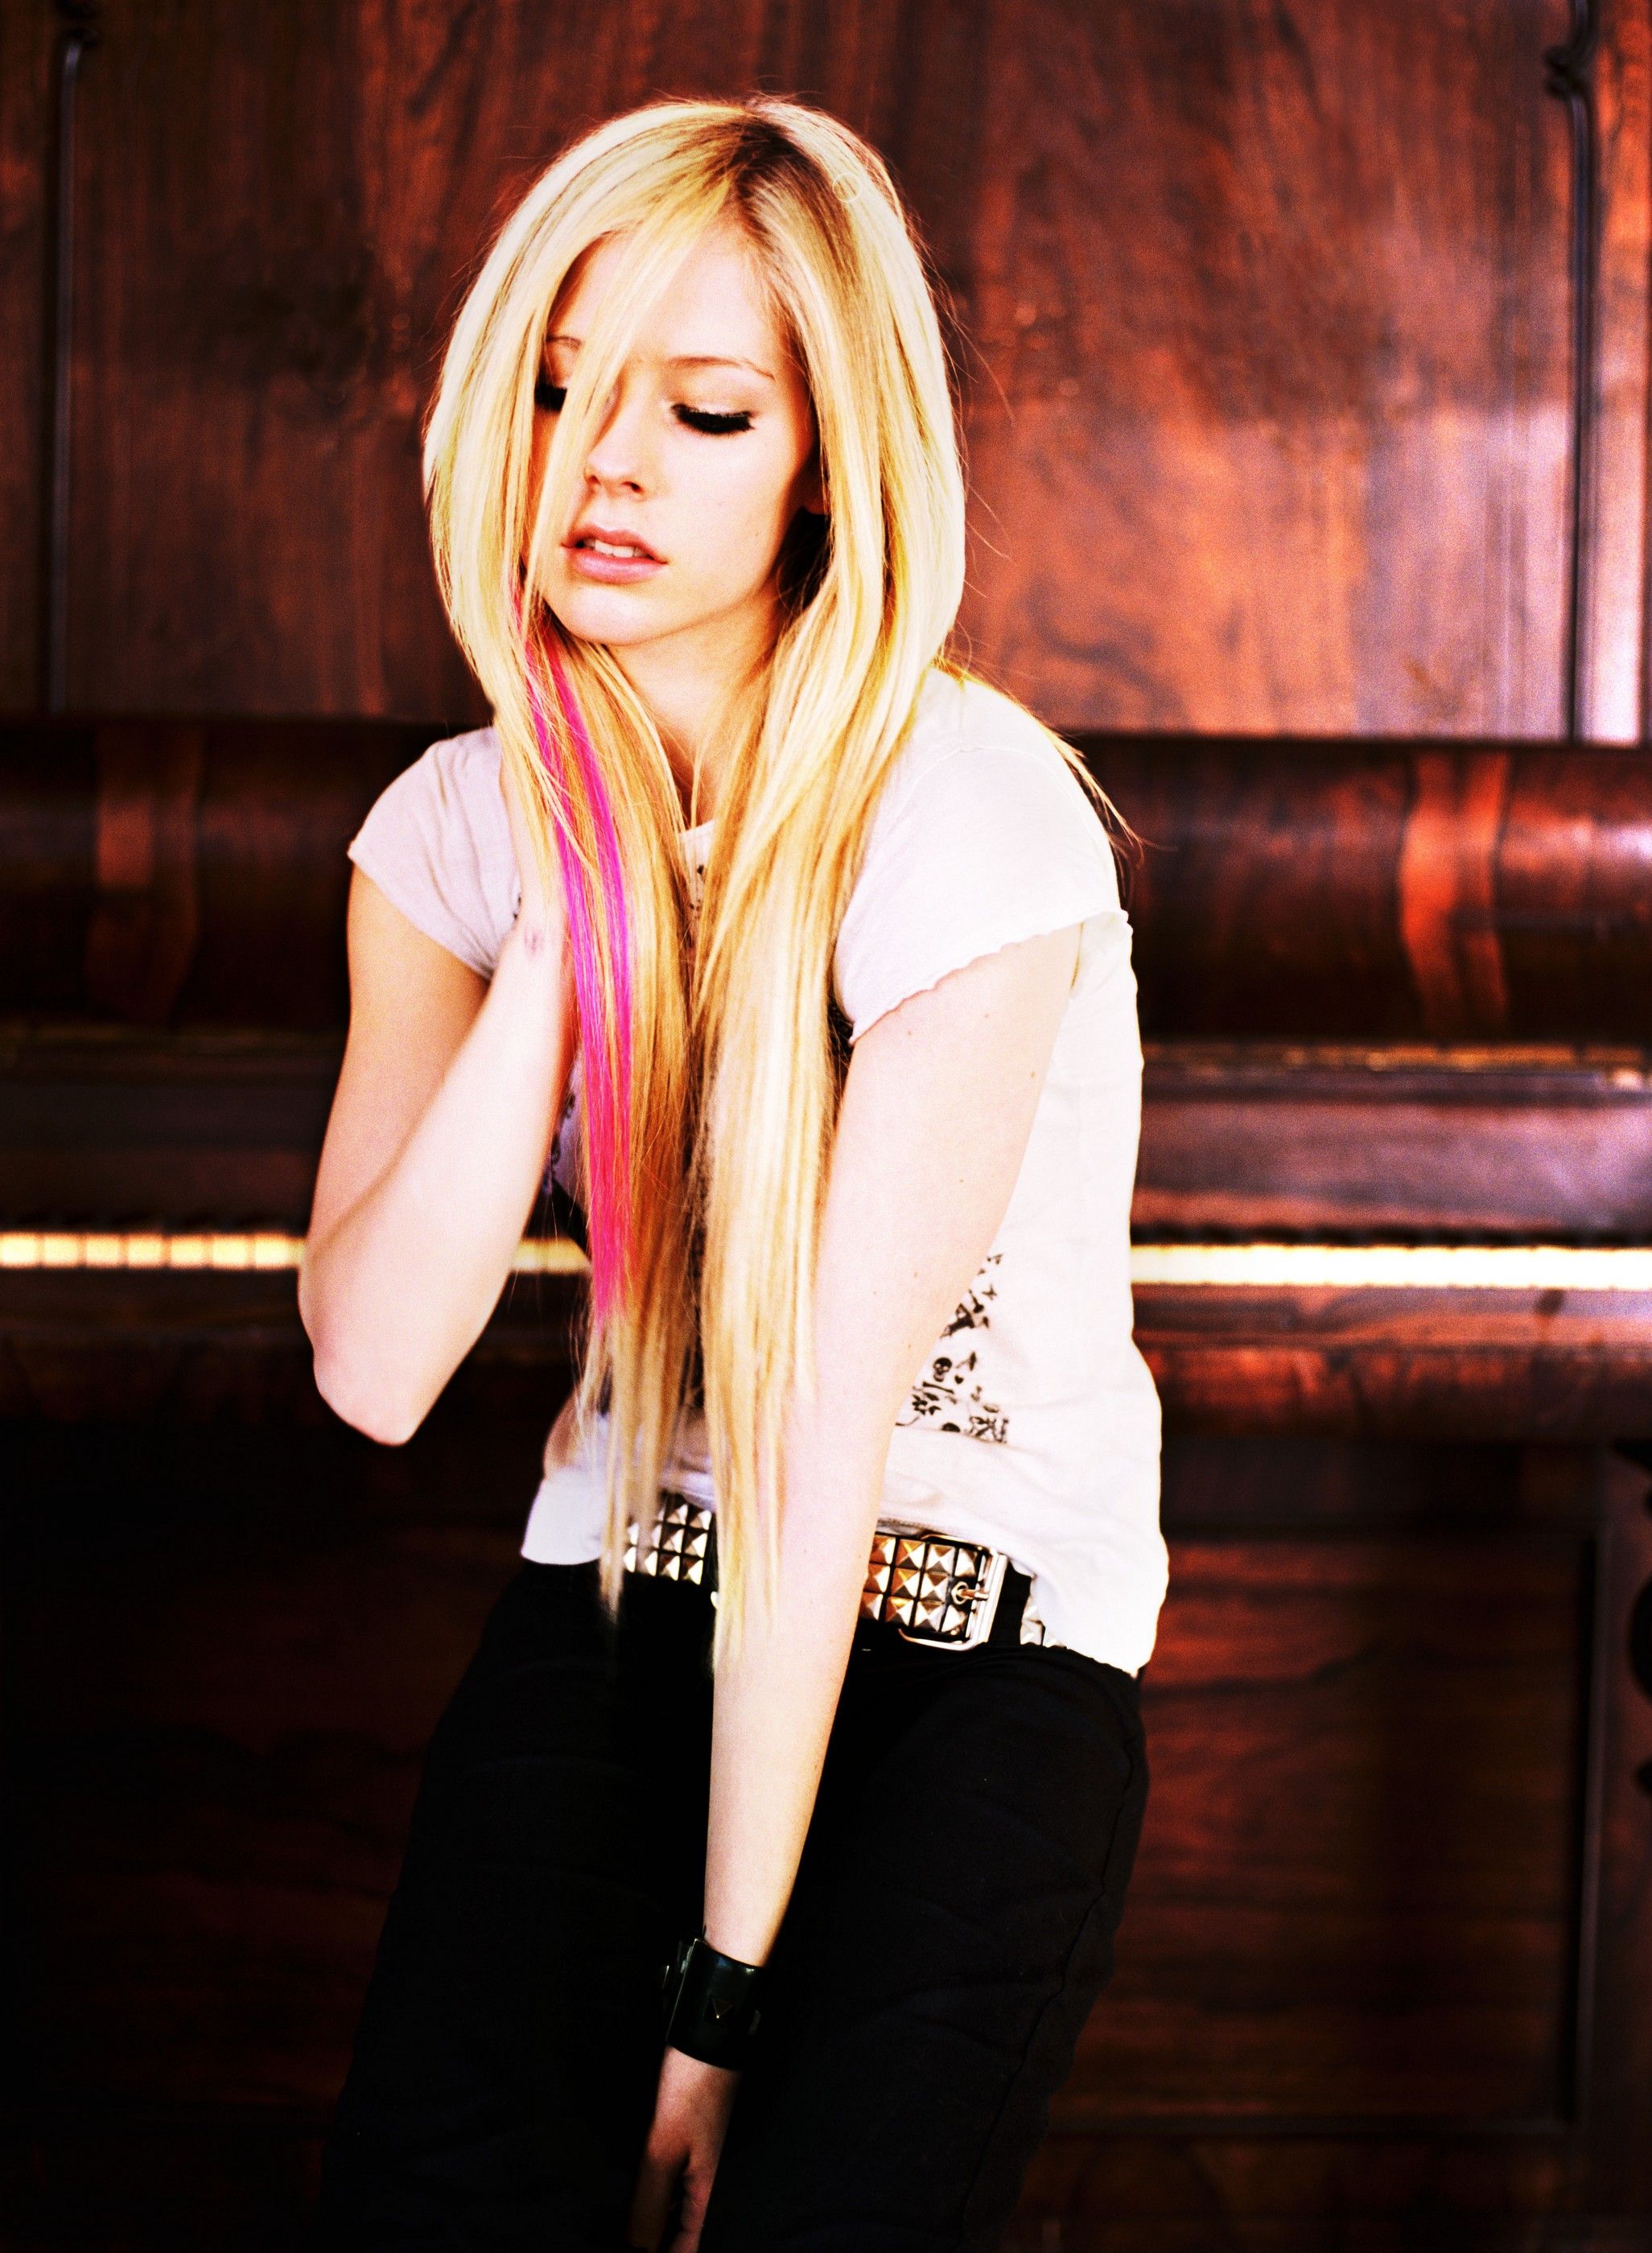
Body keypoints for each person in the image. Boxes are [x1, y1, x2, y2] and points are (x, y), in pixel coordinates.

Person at [300, 93, 1166, 2253]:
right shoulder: (449, 833)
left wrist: (716, 2006)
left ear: (824, 465)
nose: (599, 462)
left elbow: (815, 1445)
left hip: (970, 1640)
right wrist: (572, 922)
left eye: (700, 411)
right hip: (624, 1592)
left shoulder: (964, 809)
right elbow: (378, 1371)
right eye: (555, 388)